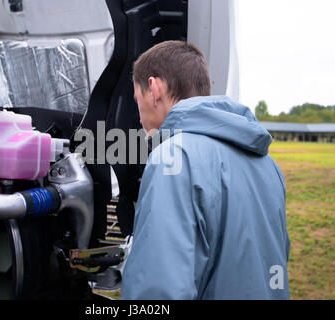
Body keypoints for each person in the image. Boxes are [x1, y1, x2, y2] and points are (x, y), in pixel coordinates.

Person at [121, 40, 290, 299]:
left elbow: (159, 288)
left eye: (137, 99)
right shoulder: (269, 166)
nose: (140, 117)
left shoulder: (172, 157)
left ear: (154, 89)